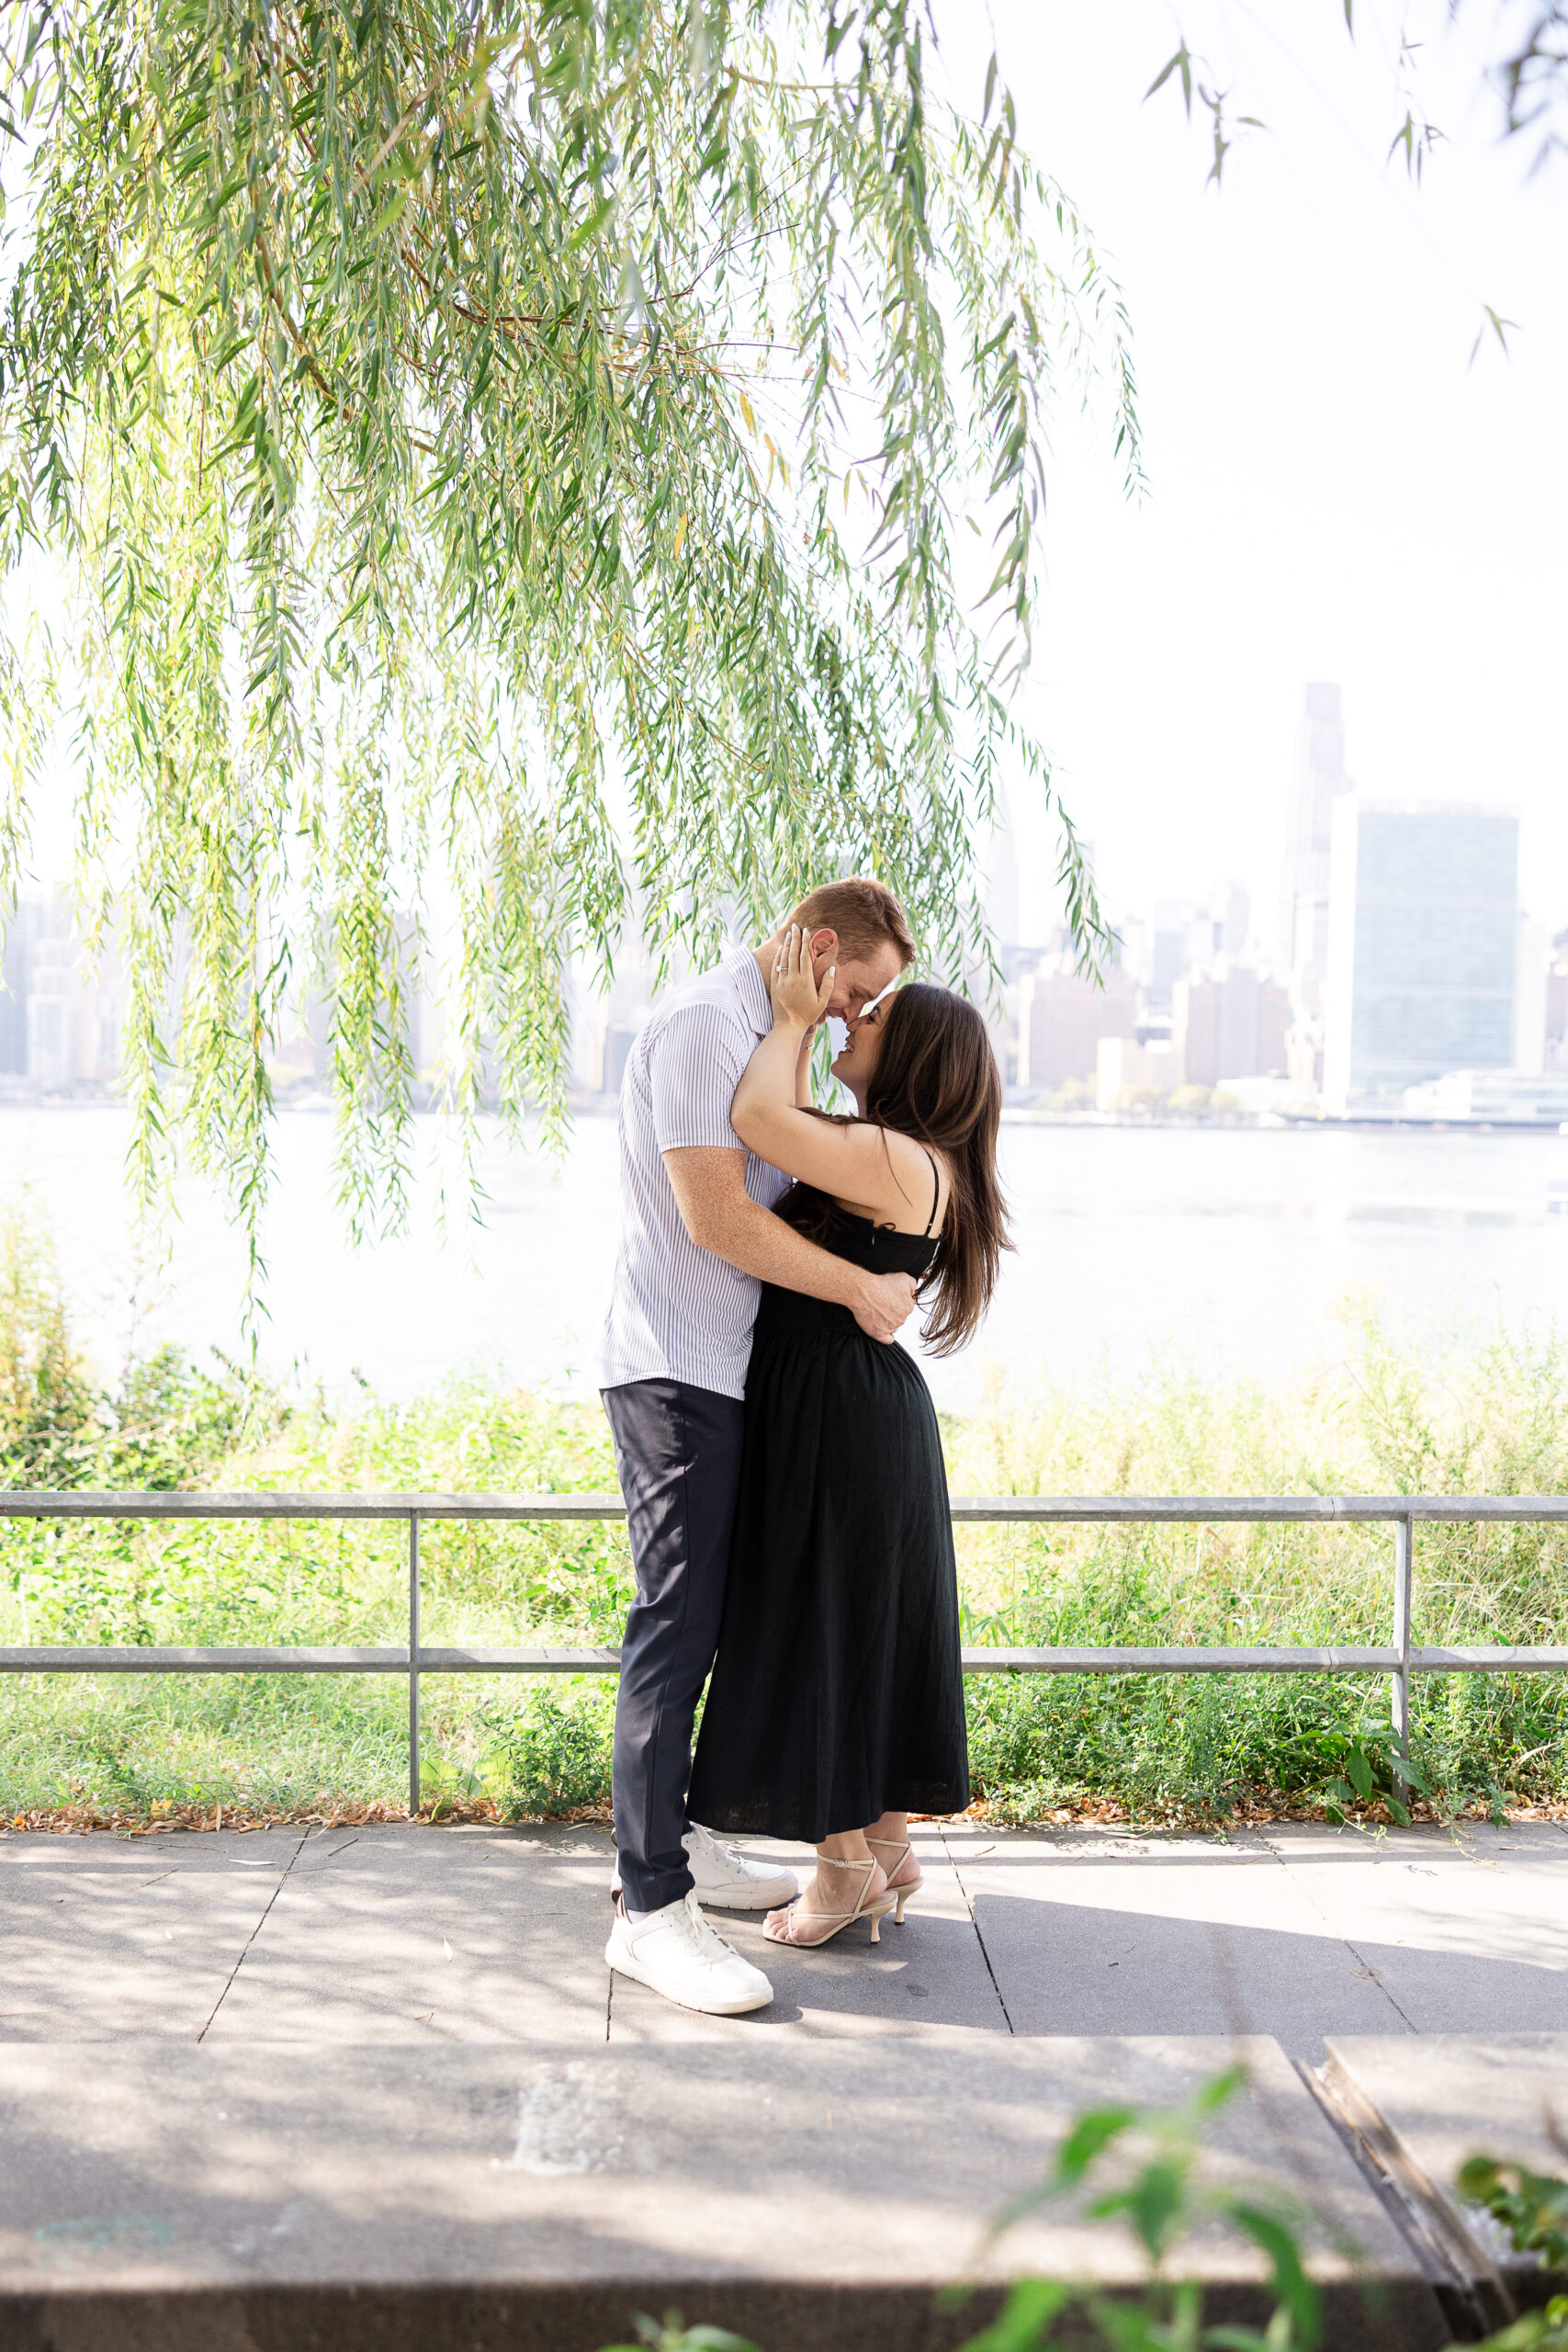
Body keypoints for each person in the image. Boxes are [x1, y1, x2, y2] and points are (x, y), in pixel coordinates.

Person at [600, 879, 919, 2017]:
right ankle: (649, 1910)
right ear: (820, 946)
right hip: (676, 1367)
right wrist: (862, 1290)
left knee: (727, 1622)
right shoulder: (703, 1027)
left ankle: (683, 1841)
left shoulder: (776, 1035)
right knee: (676, 1629)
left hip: (734, 1373)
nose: (854, 1016)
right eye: (857, 991)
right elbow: (719, 1216)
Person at [686, 928, 1008, 1947]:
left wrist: (788, 1017)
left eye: (873, 1015)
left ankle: (841, 1875)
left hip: (837, 1409)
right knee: (864, 1626)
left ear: (911, 1056)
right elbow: (781, 1123)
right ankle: (886, 1847)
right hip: (854, 1404)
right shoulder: (908, 1157)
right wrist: (796, 1030)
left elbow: (753, 1119)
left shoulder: (891, 1157)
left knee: (823, 1624)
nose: (849, 1020)